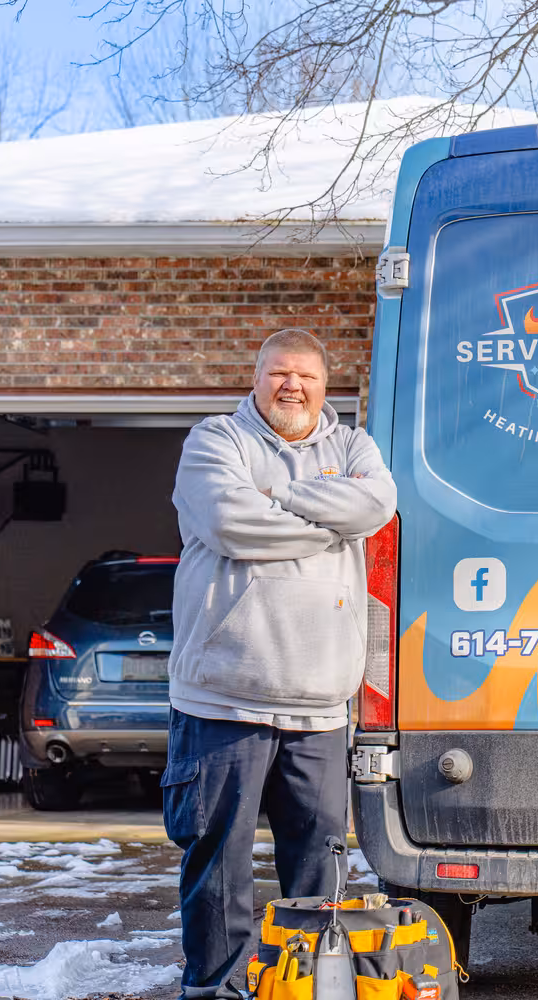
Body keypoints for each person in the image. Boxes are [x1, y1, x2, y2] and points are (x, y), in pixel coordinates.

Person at [164, 328, 397, 999]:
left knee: (318, 870)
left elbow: (377, 505)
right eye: (278, 374)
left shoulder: (353, 445)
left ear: (326, 386)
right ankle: (215, 989)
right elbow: (231, 522)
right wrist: (328, 512)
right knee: (219, 863)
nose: (292, 386)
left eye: (306, 376)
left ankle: (304, 986)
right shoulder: (216, 440)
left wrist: (280, 495)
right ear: (256, 377)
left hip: (321, 703)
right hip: (223, 700)